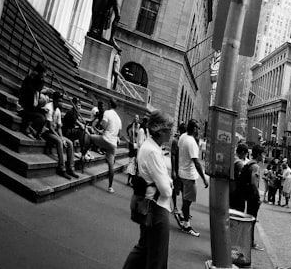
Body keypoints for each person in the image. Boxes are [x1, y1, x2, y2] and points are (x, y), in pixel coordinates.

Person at [122, 110, 174, 269]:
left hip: (149, 204)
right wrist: (169, 182)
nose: (171, 132)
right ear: (160, 130)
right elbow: (166, 191)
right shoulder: (153, 152)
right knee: (156, 257)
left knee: (143, 249)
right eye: (169, 129)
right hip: (157, 207)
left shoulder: (150, 147)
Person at [175, 119, 208, 236]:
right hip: (189, 175)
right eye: (198, 128)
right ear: (194, 129)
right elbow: (197, 162)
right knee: (188, 200)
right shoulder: (191, 142)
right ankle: (186, 224)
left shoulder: (183, 137)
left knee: (186, 199)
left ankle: (183, 217)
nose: (199, 130)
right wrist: (203, 178)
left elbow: (178, 152)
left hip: (182, 172)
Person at [85, 98, 121, 192]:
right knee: (111, 166)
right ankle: (110, 187)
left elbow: (104, 125)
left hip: (105, 139)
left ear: (109, 104)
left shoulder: (107, 113)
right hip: (113, 144)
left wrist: (101, 124)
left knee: (90, 137)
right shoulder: (118, 118)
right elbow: (118, 133)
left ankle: (84, 153)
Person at [239, 145, 264, 251]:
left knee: (249, 218)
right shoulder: (255, 166)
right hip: (252, 195)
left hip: (247, 194)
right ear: (259, 154)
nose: (264, 156)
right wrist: (258, 195)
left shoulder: (249, 163)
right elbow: (254, 182)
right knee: (252, 219)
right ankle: (250, 241)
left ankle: (248, 240)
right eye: (263, 154)